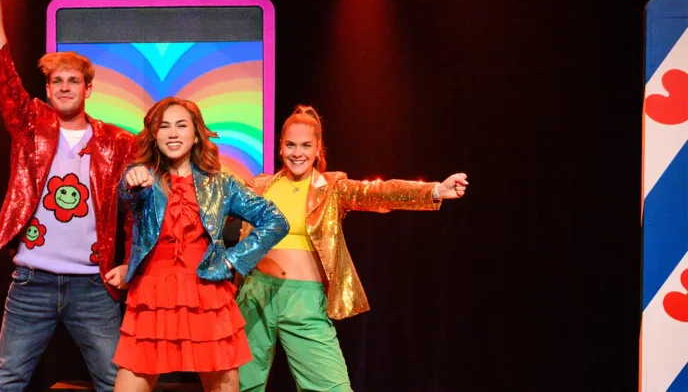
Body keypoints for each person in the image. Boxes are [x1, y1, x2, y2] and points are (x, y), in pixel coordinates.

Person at [236, 105, 468, 392]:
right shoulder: (260, 186)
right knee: (241, 386)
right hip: (256, 295)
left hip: (305, 301)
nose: (298, 153)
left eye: (306, 145)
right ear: (280, 147)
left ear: (318, 149)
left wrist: (434, 191)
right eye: (291, 145)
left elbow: (379, 193)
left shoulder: (333, 188)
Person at [0, 0, 137, 392]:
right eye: (57, 82)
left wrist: (130, 262)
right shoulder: (30, 125)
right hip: (32, 279)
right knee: (8, 380)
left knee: (115, 382)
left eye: (73, 81)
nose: (65, 88)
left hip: (93, 284)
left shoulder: (118, 141)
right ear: (48, 90)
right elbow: (2, 75)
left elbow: (139, 209)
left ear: (88, 88)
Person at [103, 97, 289, 392]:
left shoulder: (221, 184)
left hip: (207, 294)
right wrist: (133, 179)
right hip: (152, 296)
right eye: (164, 127)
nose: (173, 134)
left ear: (196, 134)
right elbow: (130, 195)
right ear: (154, 135)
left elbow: (275, 221)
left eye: (181, 126)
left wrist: (232, 260)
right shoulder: (143, 178)